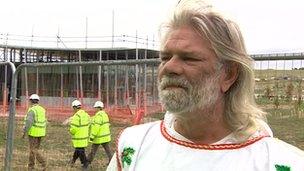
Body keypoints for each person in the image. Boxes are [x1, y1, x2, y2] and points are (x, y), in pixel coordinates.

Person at [107, 0, 304, 170]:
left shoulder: (278, 163)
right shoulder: (132, 145)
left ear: (228, 74)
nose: (170, 67)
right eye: (165, 57)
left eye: (189, 58)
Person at [22, 94, 47, 171]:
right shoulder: (42, 109)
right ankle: (31, 166)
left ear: (31, 101)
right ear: (38, 101)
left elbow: (29, 122)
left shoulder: (32, 110)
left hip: (33, 133)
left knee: (33, 150)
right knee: (33, 150)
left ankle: (43, 163)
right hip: (41, 132)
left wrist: (24, 132)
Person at [69, 99, 90, 170]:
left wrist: (70, 131)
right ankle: (73, 161)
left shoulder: (76, 116)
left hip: (78, 137)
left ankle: (85, 163)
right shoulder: (85, 114)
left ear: (74, 107)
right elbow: (89, 123)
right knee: (78, 149)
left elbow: (73, 129)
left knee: (80, 151)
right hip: (84, 136)